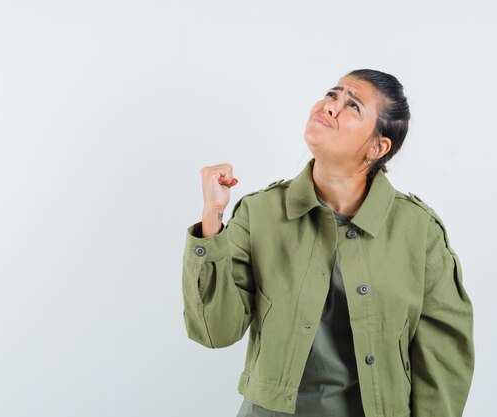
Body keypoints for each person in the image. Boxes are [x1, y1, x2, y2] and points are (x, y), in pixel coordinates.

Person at [181, 69, 475, 417]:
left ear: (378, 147)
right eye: (332, 94)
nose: (330, 106)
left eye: (353, 105)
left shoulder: (419, 232)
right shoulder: (259, 213)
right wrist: (213, 218)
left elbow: (444, 362)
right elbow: (214, 331)